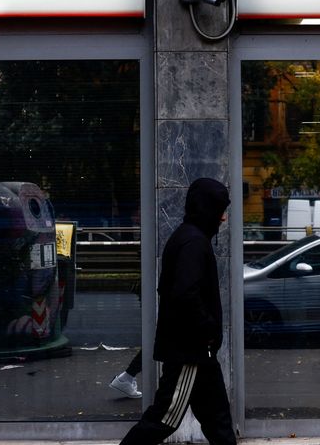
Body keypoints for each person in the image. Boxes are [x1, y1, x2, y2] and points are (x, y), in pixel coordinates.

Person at [120, 177, 236, 445]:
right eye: (220, 210)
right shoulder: (193, 242)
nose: (223, 219)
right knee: (166, 416)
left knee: (218, 419)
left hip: (196, 351)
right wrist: (207, 329)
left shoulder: (190, 238)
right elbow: (185, 294)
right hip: (190, 352)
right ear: (208, 209)